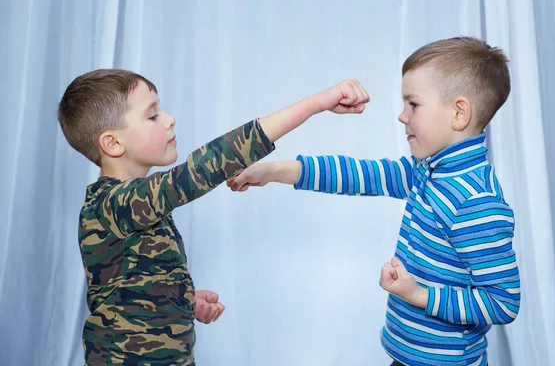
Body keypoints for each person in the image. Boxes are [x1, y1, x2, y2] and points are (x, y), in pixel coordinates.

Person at [227, 37, 521, 365]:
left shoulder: (475, 203)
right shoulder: (429, 174)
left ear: (459, 113)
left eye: (414, 104)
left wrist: (418, 295)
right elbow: (359, 175)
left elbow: (503, 303)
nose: (402, 115)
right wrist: (272, 171)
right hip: (406, 356)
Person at [57, 69, 369, 365]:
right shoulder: (112, 204)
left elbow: (127, 284)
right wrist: (316, 103)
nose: (169, 120)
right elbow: (204, 168)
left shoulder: (137, 204)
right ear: (113, 143)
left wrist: (181, 299)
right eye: (152, 115)